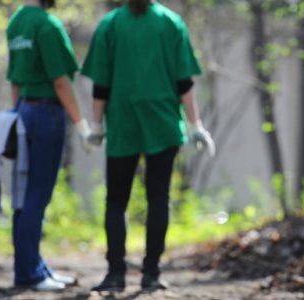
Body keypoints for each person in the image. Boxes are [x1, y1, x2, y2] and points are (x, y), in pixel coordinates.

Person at [81, 0, 214, 292]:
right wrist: (196, 124)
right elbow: (184, 82)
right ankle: (151, 273)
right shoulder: (170, 23)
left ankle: (116, 273)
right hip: (162, 124)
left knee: (116, 200)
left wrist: (98, 124)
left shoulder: (111, 24)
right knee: (158, 198)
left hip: (123, 125)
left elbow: (100, 83)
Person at [5, 0, 93, 291]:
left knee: (23, 192)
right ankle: (31, 273)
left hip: (23, 111)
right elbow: (60, 81)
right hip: (45, 114)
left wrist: (15, 116)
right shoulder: (47, 24)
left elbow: (15, 80)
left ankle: (31, 267)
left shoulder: (17, 22)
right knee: (37, 193)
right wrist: (81, 125)